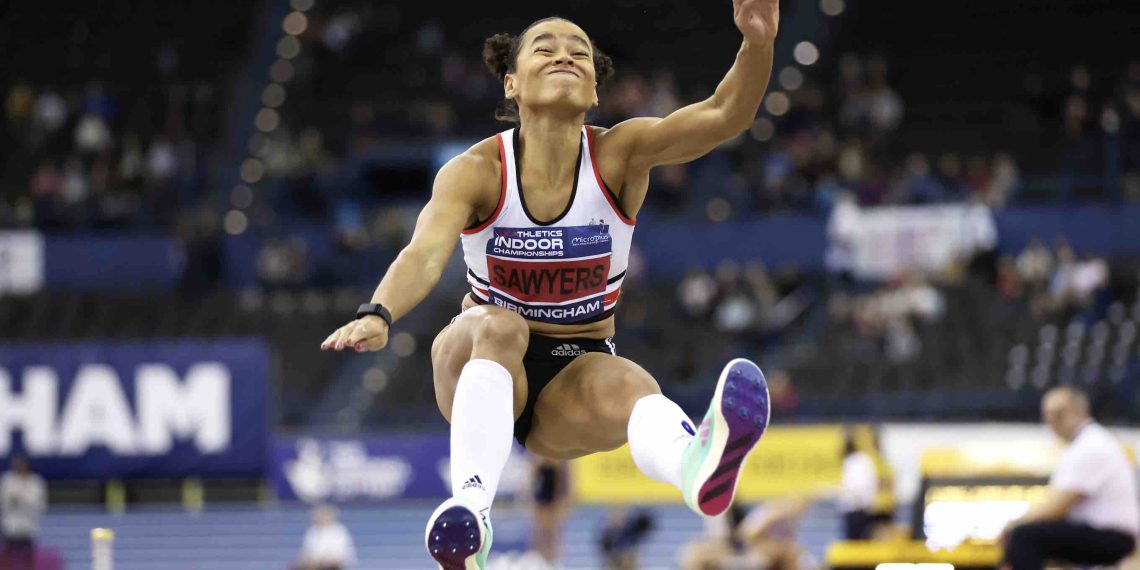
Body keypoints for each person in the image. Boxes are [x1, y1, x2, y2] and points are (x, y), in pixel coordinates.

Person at [321, 3, 780, 567]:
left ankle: (695, 465)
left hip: (574, 370)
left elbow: (724, 115)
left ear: (593, 91)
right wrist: (379, 312)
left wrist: (758, 43)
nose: (564, 53)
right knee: (500, 323)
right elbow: (423, 253)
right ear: (511, 83)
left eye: (579, 51)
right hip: (477, 358)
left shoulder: (619, 154)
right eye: (545, 47)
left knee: (633, 384)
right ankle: (471, 513)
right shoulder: (476, 171)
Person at [999, 386, 1138, 570]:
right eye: (1048, 415)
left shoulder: (1091, 445)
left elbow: (1057, 507)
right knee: (1029, 535)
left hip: (1112, 537)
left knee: (1023, 536)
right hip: (1101, 534)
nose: (1052, 421)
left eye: (1059, 414)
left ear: (1080, 411)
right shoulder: (1083, 444)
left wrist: (1013, 525)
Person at [0, 456, 46, 569]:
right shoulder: (7, 480)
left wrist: (21, 498)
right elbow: (3, 500)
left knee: (27, 561)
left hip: (28, 528)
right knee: (9, 560)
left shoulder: (35, 482)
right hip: (10, 528)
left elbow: (39, 504)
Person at [837, 433, 877, 540]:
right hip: (852, 508)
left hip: (858, 509)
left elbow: (859, 486)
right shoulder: (850, 462)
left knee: (857, 542)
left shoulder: (859, 461)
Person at [531, 458, 569, 564]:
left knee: (553, 530)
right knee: (541, 529)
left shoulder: (558, 464)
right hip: (542, 498)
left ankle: (553, 557)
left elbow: (562, 482)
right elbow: (533, 480)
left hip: (552, 498)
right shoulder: (538, 463)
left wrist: (562, 499)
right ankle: (540, 555)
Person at [296, 504, 356, 570]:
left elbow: (339, 558)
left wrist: (320, 562)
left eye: (320, 515)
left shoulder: (339, 532)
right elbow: (305, 553)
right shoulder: (312, 531)